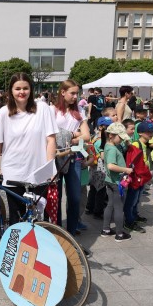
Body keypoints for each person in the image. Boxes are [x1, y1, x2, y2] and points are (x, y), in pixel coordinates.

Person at [0, 73, 57, 225]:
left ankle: (37, 248)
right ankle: (18, 249)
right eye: (17, 88)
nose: (22, 92)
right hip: (14, 173)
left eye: (25, 88)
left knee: (39, 219)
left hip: (39, 174)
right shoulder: (3, 113)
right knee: (17, 219)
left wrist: (50, 167)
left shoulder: (43, 108)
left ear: (31, 89)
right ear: (11, 91)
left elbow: (51, 139)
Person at [55, 79, 90, 235]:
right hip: (55, 158)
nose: (76, 96)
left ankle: (71, 229)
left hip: (74, 157)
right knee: (55, 197)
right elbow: (51, 136)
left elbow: (87, 136)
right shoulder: (52, 110)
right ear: (63, 92)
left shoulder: (79, 112)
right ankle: (56, 230)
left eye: (77, 93)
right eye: (72, 93)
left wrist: (69, 139)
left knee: (75, 197)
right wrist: (74, 135)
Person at [100, 122, 133, 242]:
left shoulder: (109, 146)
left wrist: (126, 141)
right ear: (111, 135)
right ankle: (119, 233)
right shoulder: (113, 149)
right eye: (120, 137)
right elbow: (111, 166)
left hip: (110, 181)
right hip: (117, 182)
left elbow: (125, 145)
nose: (121, 140)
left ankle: (106, 229)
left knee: (110, 204)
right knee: (119, 207)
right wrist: (126, 170)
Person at [124, 121, 153, 233]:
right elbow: (132, 161)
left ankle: (134, 216)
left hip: (142, 177)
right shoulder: (136, 144)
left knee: (136, 199)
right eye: (148, 132)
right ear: (140, 133)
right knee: (131, 200)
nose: (151, 134)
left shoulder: (145, 144)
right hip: (136, 177)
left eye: (152, 131)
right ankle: (129, 221)